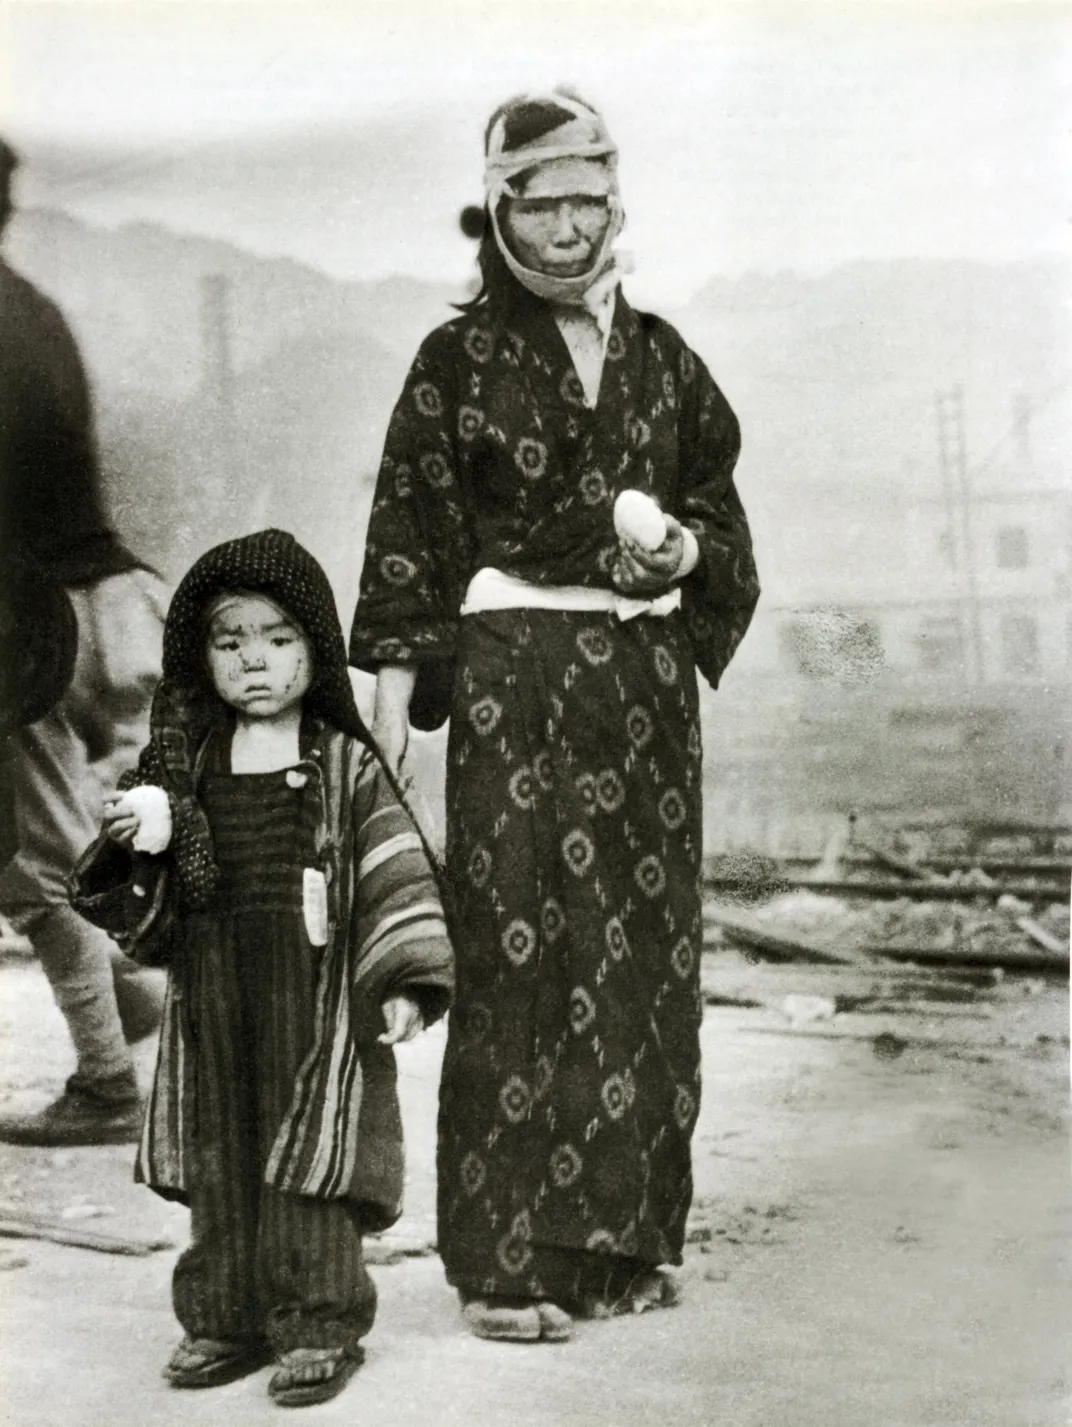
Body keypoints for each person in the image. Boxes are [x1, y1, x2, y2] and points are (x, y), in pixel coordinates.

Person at [349, 88, 760, 1342]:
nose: (570, 226)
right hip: (513, 683)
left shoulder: (669, 358)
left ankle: (623, 1237)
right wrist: (397, 704)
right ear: (501, 212)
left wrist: (683, 551)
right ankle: (506, 1262)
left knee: (641, 955)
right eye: (544, 202)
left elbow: (718, 521)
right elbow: (410, 530)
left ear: (613, 201)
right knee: (518, 950)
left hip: (639, 699)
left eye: (590, 199)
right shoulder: (454, 361)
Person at [96, 528, 453, 1406]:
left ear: (316, 650)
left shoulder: (343, 765)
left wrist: (406, 978)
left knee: (310, 1155)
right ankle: (223, 1314)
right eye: (231, 641)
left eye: (279, 638)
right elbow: (146, 898)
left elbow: (393, 866)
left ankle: (319, 1320)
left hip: (315, 995)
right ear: (202, 657)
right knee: (220, 1153)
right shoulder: (191, 770)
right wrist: (142, 837)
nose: (255, 661)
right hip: (213, 991)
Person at [0, 135, 167, 1146]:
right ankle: (127, 998)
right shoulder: (32, 310)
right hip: (83, 601)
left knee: (37, 858)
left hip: (25, 621)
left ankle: (109, 1081)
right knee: (28, 844)